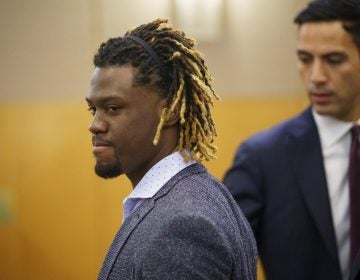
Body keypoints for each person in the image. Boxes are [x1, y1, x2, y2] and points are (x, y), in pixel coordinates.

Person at [86, 18, 257, 280]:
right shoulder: (190, 198)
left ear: (170, 112)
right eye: (93, 109)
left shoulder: (183, 225)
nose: (95, 125)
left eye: (113, 108)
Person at [223, 0, 360, 280]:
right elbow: (219, 258)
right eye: (305, 59)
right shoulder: (262, 157)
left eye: (334, 60)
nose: (316, 77)